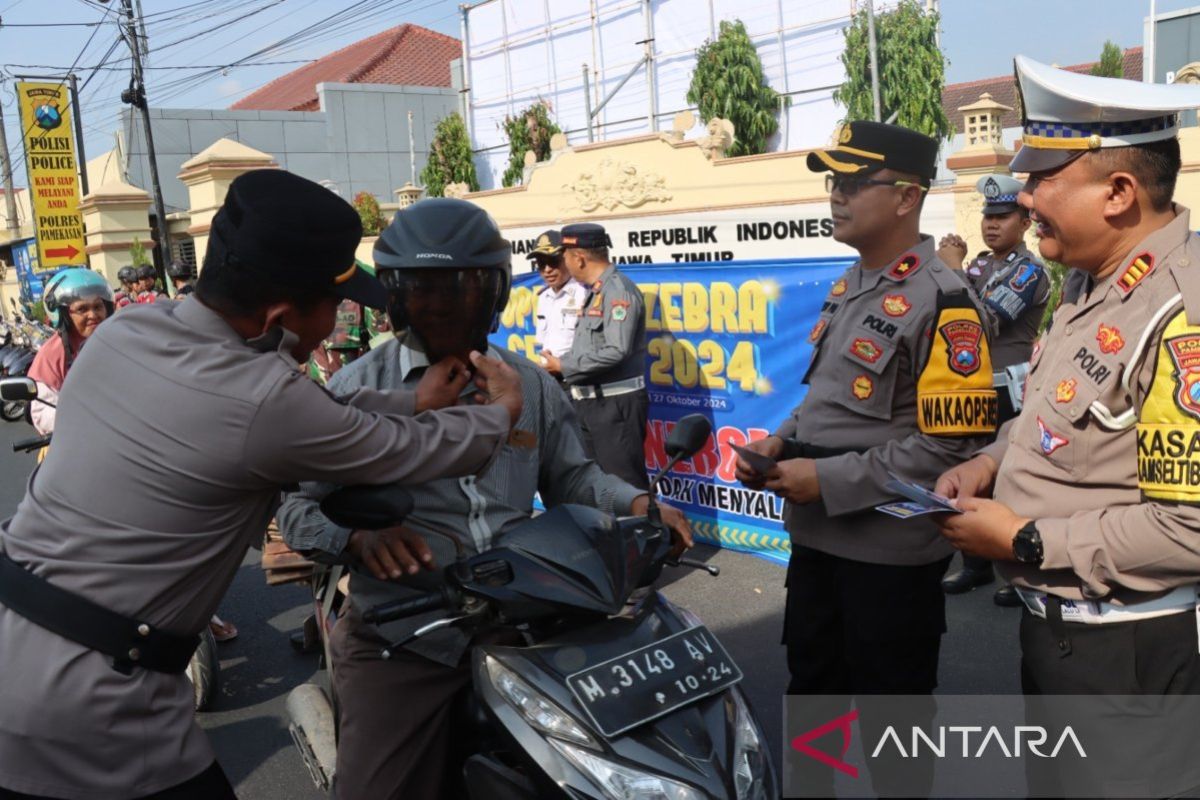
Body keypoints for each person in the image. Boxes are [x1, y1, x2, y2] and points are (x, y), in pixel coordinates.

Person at [0, 169, 526, 800]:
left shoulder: (124, 334)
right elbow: (399, 448)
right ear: (279, 315)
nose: (339, 321)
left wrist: (411, 398)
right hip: (95, 700)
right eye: (334, 306)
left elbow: (318, 418)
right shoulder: (261, 397)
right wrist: (499, 415)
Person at [277, 198, 692, 800]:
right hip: (407, 631)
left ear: (493, 294)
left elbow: (575, 478)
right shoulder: (355, 388)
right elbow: (297, 508)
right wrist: (357, 541)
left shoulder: (529, 383)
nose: (443, 304)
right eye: (423, 290)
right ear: (395, 297)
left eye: (463, 288)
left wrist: (639, 506)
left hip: (527, 618)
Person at [935, 58, 1200, 795]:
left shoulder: (1184, 311)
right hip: (1057, 633)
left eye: (1043, 178)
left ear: (1117, 193)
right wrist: (988, 463)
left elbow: (1191, 531)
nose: (1022, 197)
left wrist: (1022, 540)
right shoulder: (1088, 278)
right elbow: (1048, 419)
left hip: (1129, 653)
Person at [734, 121, 998, 797]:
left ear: (907, 197)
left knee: (893, 721)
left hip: (886, 556)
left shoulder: (945, 300)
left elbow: (948, 448)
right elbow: (824, 402)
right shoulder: (852, 283)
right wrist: (778, 443)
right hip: (820, 544)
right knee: (814, 697)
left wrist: (823, 478)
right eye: (833, 181)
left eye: (853, 182)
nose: (836, 195)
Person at [937, 173, 1049, 606]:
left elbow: (983, 323)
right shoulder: (979, 265)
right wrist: (950, 270)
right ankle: (975, 563)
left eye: (1003, 216)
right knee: (968, 468)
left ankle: (1013, 567)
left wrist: (951, 271)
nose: (992, 224)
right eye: (988, 216)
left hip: (1009, 387)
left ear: (1024, 222)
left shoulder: (1030, 272)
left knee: (1007, 475)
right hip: (969, 386)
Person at [540, 223, 650, 489]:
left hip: (614, 405)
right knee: (598, 487)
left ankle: (642, 532)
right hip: (590, 404)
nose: (562, 262)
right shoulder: (597, 291)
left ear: (579, 257)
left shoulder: (618, 291)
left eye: (563, 255)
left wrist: (563, 366)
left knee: (625, 487)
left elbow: (617, 349)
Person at [27, 268, 113, 435]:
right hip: (78, 439)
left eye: (98, 306)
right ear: (64, 315)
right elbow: (42, 414)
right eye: (82, 309)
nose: (93, 314)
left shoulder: (119, 340)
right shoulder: (52, 354)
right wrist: (86, 419)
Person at [528, 229, 586, 373]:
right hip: (549, 378)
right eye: (541, 264)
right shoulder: (543, 297)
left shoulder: (584, 293)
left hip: (576, 377)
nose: (547, 270)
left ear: (567, 259)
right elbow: (544, 341)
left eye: (553, 262)